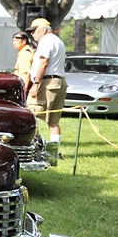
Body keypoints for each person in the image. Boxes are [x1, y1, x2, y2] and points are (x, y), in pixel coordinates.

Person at [27, 17, 67, 159]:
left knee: (30, 115)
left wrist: (36, 84)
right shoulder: (57, 41)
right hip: (58, 82)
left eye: (34, 30)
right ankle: (53, 152)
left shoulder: (46, 41)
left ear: (43, 29)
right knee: (53, 121)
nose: (32, 34)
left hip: (47, 82)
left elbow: (44, 62)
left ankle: (33, 149)